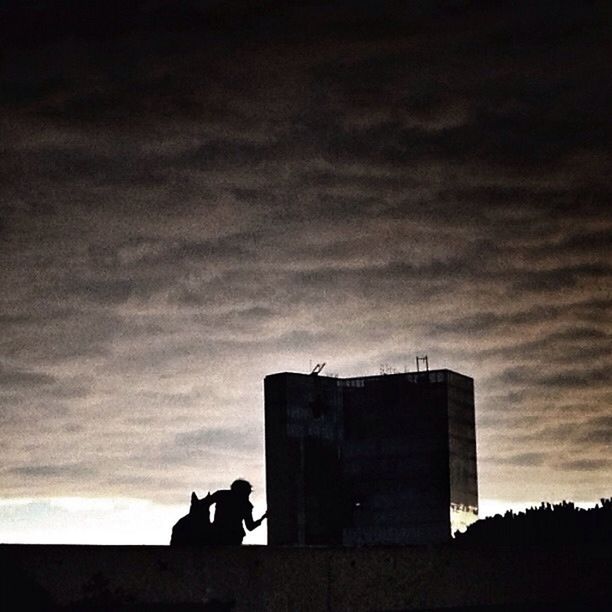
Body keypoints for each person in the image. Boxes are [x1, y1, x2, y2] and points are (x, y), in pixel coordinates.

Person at [209, 479, 267, 545]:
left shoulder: (221, 495)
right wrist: (263, 518)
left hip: (217, 533)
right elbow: (250, 526)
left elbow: (205, 503)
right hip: (234, 536)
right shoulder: (246, 505)